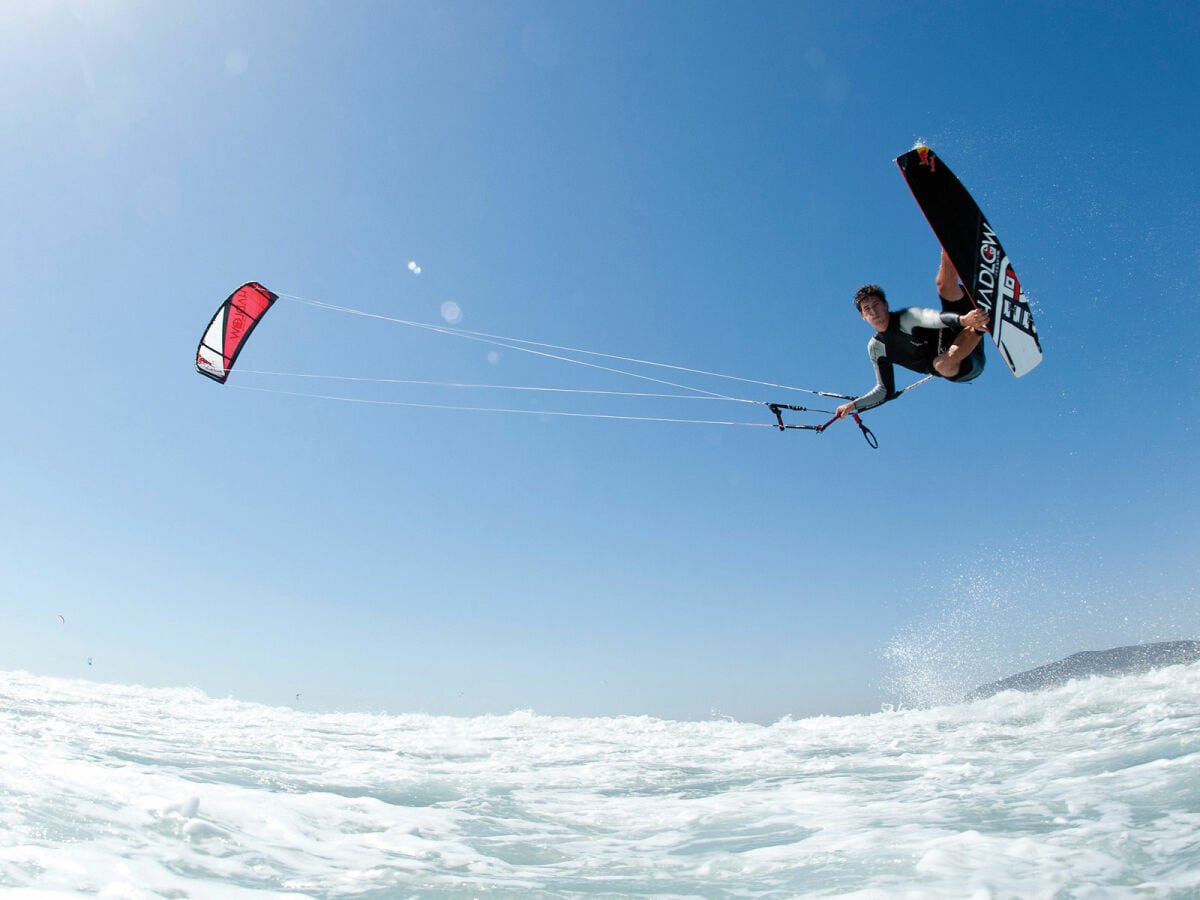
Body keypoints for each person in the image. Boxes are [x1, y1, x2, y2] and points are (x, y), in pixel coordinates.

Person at [835, 250, 990, 419]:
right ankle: (981, 326)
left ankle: (951, 238)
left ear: (886, 305)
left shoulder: (906, 319)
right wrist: (853, 405)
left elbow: (936, 318)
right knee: (941, 364)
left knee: (944, 285)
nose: (873, 311)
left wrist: (963, 320)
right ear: (863, 316)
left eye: (876, 304)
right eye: (867, 309)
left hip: (962, 322)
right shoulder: (877, 348)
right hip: (965, 360)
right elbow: (884, 390)